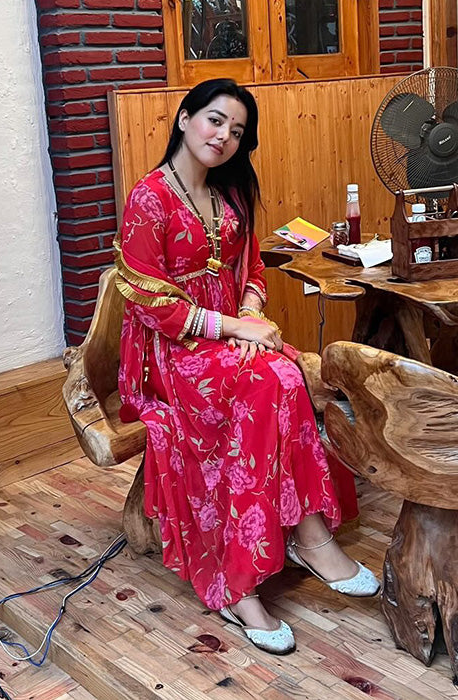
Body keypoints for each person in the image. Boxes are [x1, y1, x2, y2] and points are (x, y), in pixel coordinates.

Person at [115, 78, 379, 655]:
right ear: (184, 118)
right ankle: (244, 580)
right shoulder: (149, 199)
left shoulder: (228, 192)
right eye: (215, 120)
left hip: (231, 341)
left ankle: (300, 538)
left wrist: (252, 312)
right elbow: (151, 303)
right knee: (275, 378)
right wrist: (235, 329)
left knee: (284, 374)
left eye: (236, 132)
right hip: (174, 351)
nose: (224, 137)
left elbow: (252, 270)